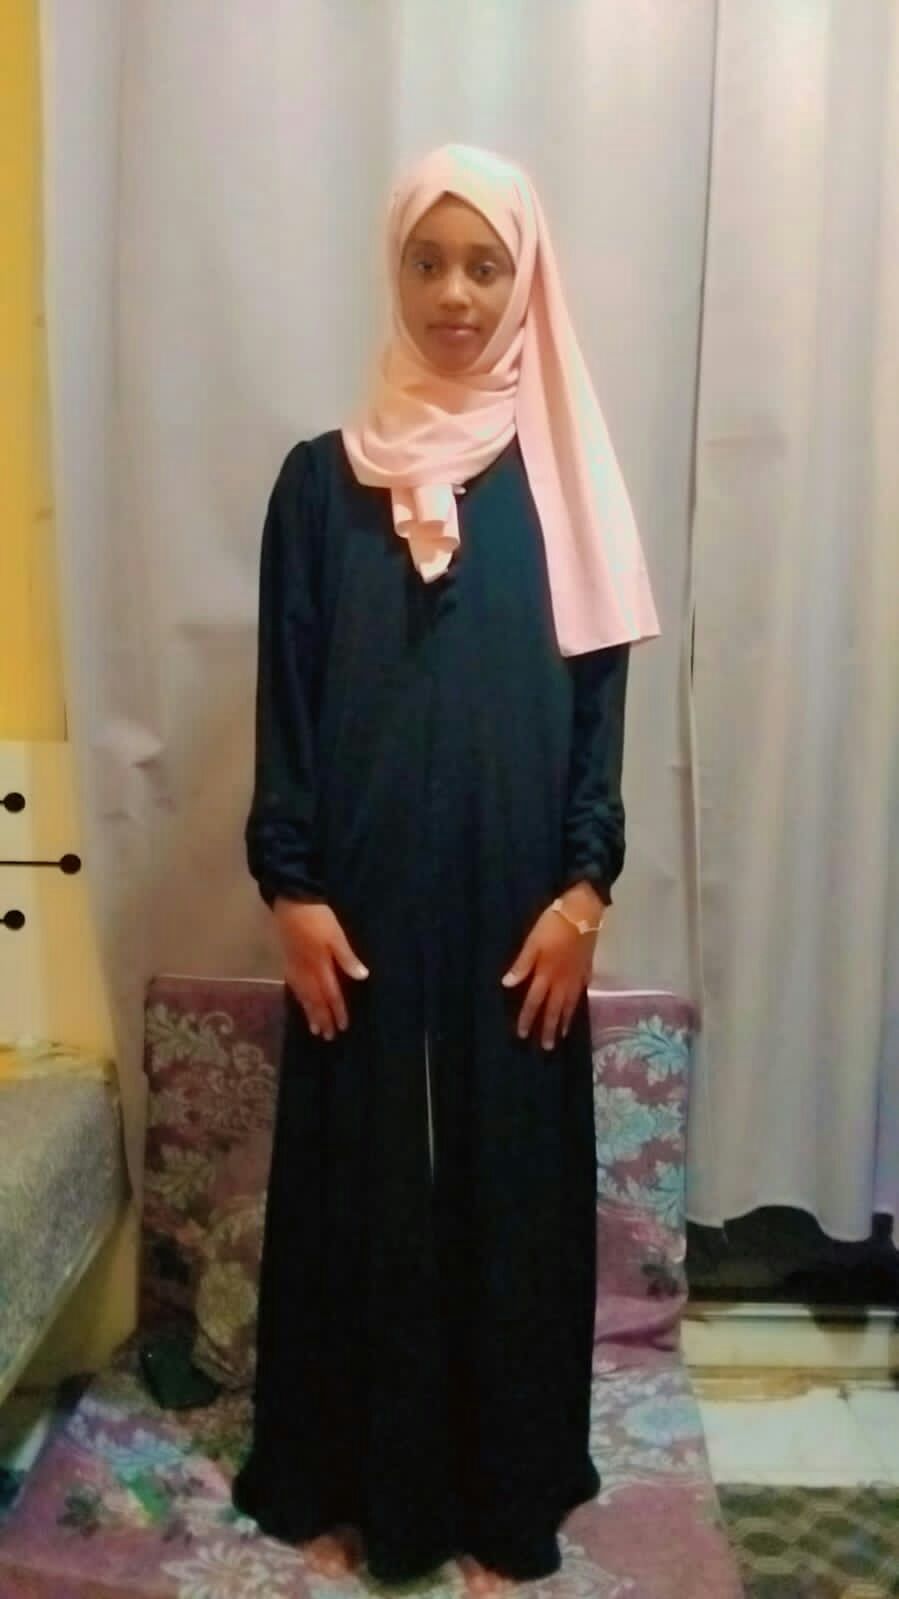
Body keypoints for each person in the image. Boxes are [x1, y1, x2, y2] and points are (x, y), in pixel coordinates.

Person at [231, 142, 660, 1593]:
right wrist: (289, 889)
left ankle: (503, 1488)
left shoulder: (565, 482)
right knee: (355, 1179)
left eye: (486, 265)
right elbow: (287, 702)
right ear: (394, 273)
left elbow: (599, 705)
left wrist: (586, 888)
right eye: (429, 262)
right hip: (350, 902)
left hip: (523, 902)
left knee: (509, 1181)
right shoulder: (319, 485)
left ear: (526, 278)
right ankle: (350, 1476)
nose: (457, 295)